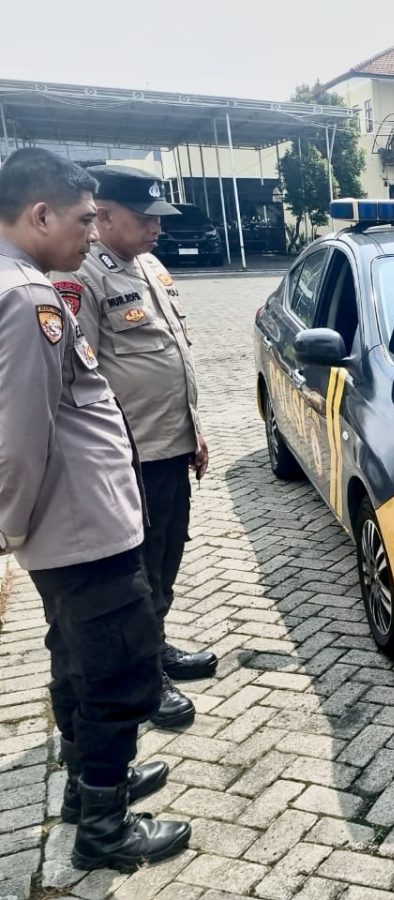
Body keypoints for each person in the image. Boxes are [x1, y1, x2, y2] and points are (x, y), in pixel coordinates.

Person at [0, 148, 190, 871]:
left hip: (72, 526)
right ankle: (105, 831)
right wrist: (11, 525)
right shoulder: (29, 298)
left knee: (81, 659)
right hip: (79, 530)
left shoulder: (25, 285)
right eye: (83, 220)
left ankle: (89, 788)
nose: (91, 232)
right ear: (40, 214)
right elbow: (20, 437)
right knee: (118, 673)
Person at [51, 165, 214, 731]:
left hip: (169, 445)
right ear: (104, 216)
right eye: (144, 218)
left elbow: (172, 354)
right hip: (128, 457)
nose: (156, 228)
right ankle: (142, 677)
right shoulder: (82, 276)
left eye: (158, 218)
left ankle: (155, 646)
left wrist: (194, 429)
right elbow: (79, 376)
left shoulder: (148, 265)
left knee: (165, 557)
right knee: (136, 570)